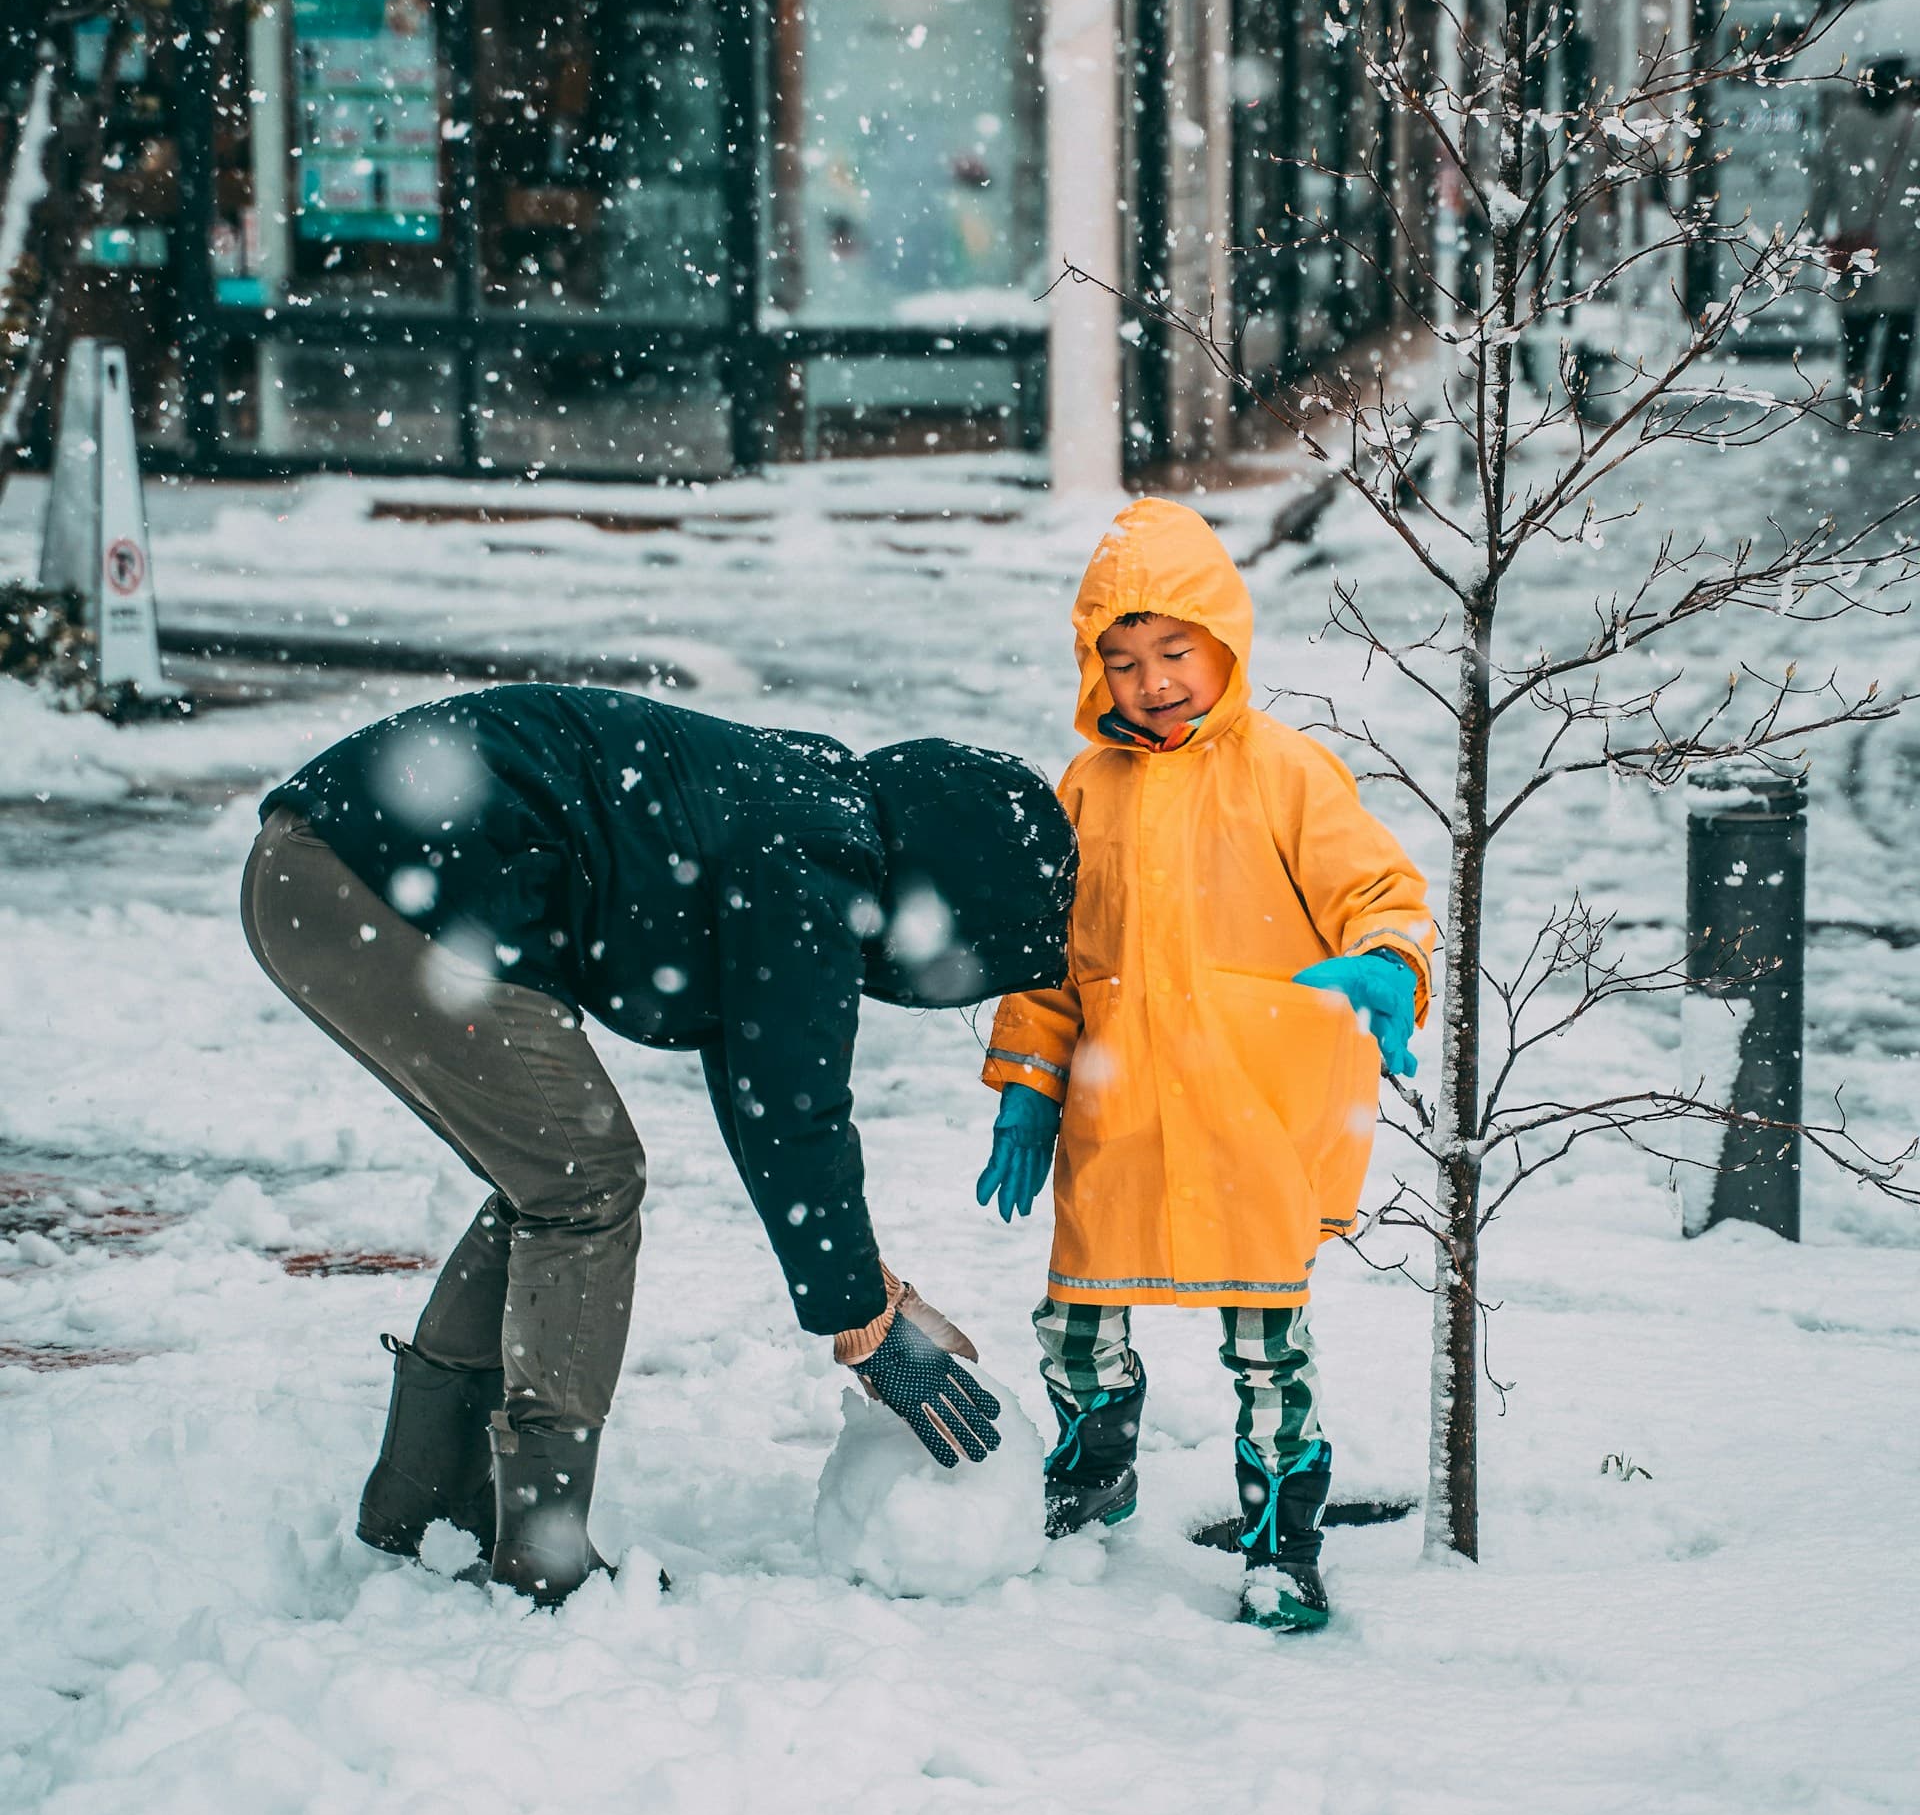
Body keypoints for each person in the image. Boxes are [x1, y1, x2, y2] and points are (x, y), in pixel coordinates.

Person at [243, 685, 1075, 1605]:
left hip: (328, 863)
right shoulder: (819, 865)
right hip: (366, 877)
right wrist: (862, 1321)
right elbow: (792, 1110)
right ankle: (542, 1548)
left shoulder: (804, 814)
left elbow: (763, 1085)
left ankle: (424, 1503)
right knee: (582, 1183)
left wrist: (865, 1298)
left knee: (550, 1178)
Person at [974, 498, 1434, 1636]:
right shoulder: (1084, 791)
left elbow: (1376, 891)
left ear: (1225, 641)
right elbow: (1049, 958)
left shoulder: (1286, 773)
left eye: (1175, 650)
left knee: (1267, 1349)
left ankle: (1283, 1543)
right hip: (1116, 1115)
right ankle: (1092, 1470)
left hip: (1247, 1116)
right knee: (1077, 1324)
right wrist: (1030, 1088)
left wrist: (1388, 965)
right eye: (1121, 660)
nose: (1153, 680)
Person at [1812, 57, 1920, 433]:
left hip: (1857, 246)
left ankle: (1855, 398)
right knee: (1899, 333)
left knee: (1857, 330)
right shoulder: (1914, 125)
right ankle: (1891, 406)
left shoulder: (1843, 123)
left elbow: (1824, 181)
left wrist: (1812, 225)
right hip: (1905, 248)